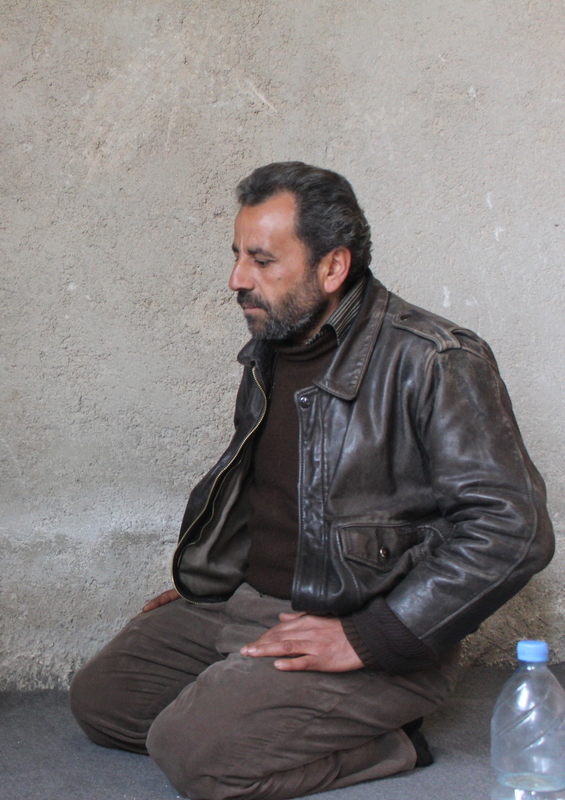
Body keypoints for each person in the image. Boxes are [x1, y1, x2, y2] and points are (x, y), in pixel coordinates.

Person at [69, 162, 554, 800]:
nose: (237, 279)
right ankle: (255, 698)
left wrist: (370, 636)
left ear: (332, 268)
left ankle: (394, 742)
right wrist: (214, 577)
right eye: (237, 255)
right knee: (102, 703)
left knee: (192, 756)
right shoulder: (274, 346)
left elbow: (514, 530)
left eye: (262, 260)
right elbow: (278, 492)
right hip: (253, 603)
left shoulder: (435, 359)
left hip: (366, 625)